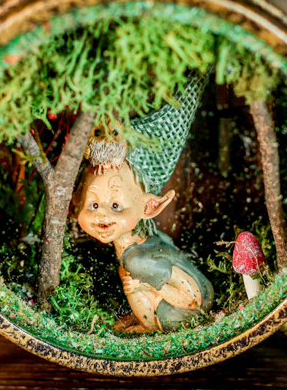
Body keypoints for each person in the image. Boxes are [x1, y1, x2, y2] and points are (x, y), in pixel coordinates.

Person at [75, 137, 213, 333]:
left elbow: (193, 300)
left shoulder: (137, 260)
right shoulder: (149, 240)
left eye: (116, 205)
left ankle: (149, 327)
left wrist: (146, 286)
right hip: (202, 293)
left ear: (149, 207)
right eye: (93, 205)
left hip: (181, 314)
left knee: (132, 280)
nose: (102, 214)